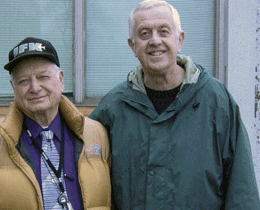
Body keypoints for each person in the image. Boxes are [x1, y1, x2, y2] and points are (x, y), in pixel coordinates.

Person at [89, 0, 260, 209]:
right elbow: (89, 180)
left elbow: (241, 188)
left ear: (179, 40)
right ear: (132, 45)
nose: (155, 41)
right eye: (144, 33)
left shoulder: (216, 101)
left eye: (163, 31)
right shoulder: (113, 107)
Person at [0, 37, 111, 210]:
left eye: (43, 77)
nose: (34, 88)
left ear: (61, 80)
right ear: (13, 87)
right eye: (23, 81)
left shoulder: (97, 134)